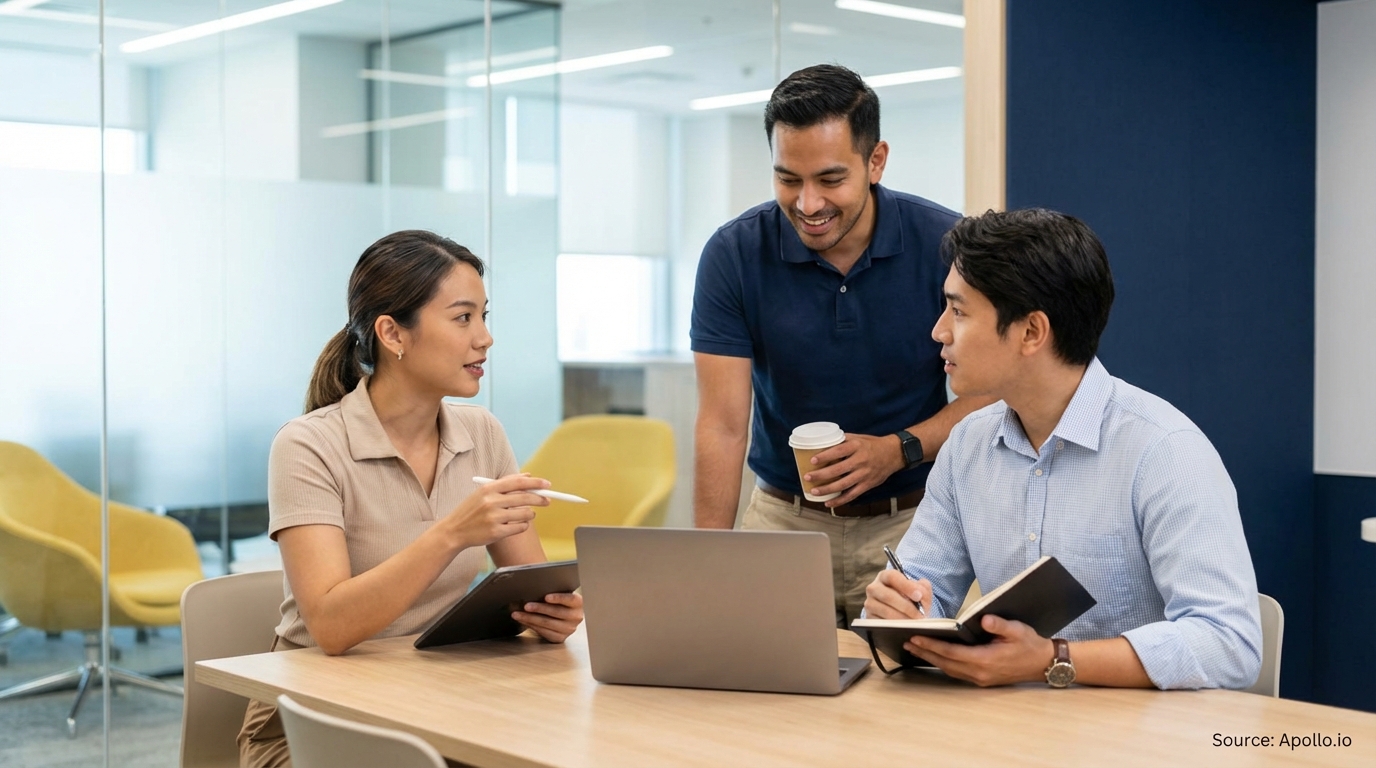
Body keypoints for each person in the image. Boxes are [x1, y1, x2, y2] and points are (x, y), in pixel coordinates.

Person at [864, 209, 1262, 690]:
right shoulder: (967, 444)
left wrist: (1052, 659)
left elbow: (1230, 646)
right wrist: (900, 608)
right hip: (1008, 730)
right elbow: (922, 591)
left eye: (959, 311)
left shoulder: (1165, 452)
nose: (939, 331)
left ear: (1031, 332)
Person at [238, 230, 583, 767]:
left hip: (437, 700)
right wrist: (451, 534)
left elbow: (529, 588)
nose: (485, 338)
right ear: (393, 334)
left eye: (485, 316)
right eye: (463, 318)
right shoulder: (308, 445)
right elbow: (331, 627)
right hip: (312, 720)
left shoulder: (483, 434)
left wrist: (551, 615)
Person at [690, 64, 993, 624]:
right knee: (752, 687)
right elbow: (723, 425)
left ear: (875, 161)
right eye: (788, 179)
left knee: (918, 698)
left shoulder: (948, 246)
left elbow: (995, 396)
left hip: (917, 521)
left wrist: (897, 448)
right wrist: (709, 558)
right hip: (783, 520)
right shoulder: (733, 255)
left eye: (830, 180)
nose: (807, 204)